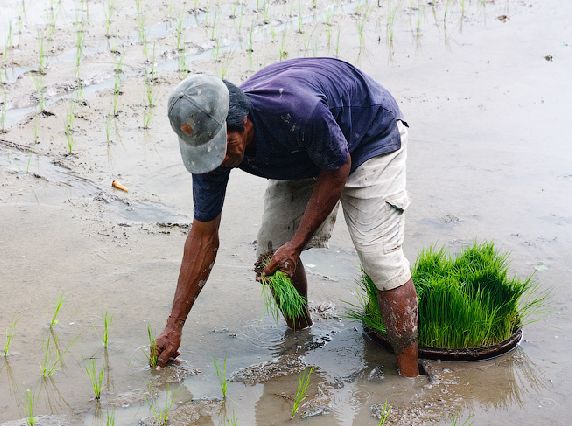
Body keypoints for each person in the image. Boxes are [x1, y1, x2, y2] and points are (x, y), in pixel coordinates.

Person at [156, 57, 419, 377]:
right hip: (308, 152)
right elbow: (203, 236)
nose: (219, 160)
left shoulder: (296, 112)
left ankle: (409, 378)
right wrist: (174, 326)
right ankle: (300, 340)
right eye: (209, 152)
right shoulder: (210, 155)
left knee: (380, 259)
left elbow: (337, 169)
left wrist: (296, 245)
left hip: (369, 135)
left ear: (244, 122)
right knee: (271, 251)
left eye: (224, 148)